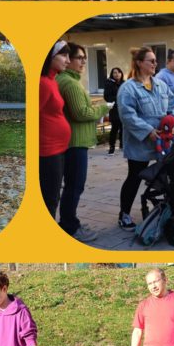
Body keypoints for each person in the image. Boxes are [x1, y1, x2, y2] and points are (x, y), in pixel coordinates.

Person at [116, 48, 174, 230]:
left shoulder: (160, 85)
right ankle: (124, 214)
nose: (154, 64)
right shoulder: (128, 88)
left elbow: (173, 106)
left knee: (162, 176)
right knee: (134, 177)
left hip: (164, 141)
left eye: (154, 61)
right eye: (150, 61)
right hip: (140, 142)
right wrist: (148, 131)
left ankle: (162, 208)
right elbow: (127, 115)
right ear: (139, 63)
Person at [56, 44, 109, 242]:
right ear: (67, 59)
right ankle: (69, 226)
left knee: (71, 185)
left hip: (71, 141)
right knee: (75, 186)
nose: (83, 62)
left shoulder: (66, 80)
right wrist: (105, 109)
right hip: (75, 142)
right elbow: (81, 113)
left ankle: (69, 221)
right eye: (79, 57)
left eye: (84, 58)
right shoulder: (69, 83)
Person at [39, 41, 71, 219]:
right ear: (50, 56)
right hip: (47, 151)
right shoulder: (43, 83)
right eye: (64, 55)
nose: (68, 60)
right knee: (50, 198)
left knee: (53, 196)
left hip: (58, 149)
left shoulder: (52, 81)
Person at [104, 67, 125, 155]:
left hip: (123, 108)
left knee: (123, 128)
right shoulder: (109, 83)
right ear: (112, 74)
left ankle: (122, 145)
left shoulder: (124, 83)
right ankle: (112, 147)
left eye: (118, 72)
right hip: (114, 109)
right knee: (115, 128)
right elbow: (107, 97)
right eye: (114, 73)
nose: (117, 74)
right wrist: (117, 98)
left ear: (121, 73)